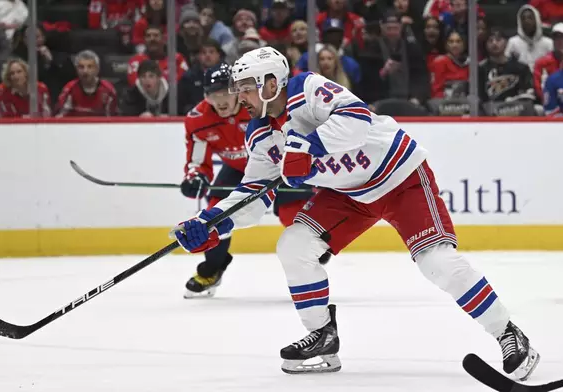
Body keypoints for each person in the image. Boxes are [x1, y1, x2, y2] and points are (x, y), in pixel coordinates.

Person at [170, 47, 541, 379]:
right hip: (347, 194)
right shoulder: (261, 135)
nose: (240, 97)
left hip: (399, 176)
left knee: (438, 263)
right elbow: (252, 192)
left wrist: (308, 148)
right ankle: (322, 336)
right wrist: (211, 223)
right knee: (294, 246)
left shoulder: (306, 88)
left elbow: (356, 117)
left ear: (271, 83)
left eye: (246, 87)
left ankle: (508, 332)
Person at [180, 62, 315, 298]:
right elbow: (198, 160)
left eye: (224, 93)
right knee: (215, 215)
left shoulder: (256, 106)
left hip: (277, 165)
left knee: (291, 213)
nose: (220, 101)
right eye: (213, 95)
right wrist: (196, 177)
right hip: (238, 170)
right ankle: (211, 269)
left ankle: (314, 247)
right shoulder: (198, 119)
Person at [56, 50, 118, 117]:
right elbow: (60, 119)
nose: (85, 71)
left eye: (90, 67)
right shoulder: (69, 89)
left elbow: (112, 121)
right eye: (81, 67)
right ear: (76, 69)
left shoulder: (108, 90)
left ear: (97, 69)